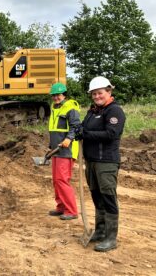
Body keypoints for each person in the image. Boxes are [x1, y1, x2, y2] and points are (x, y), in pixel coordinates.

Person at [81, 76, 126, 252]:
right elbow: (84, 128)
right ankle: (100, 232)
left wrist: (85, 134)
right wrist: (79, 131)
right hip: (91, 161)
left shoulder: (114, 111)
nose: (97, 96)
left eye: (100, 93)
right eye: (94, 94)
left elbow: (111, 134)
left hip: (106, 162)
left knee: (108, 199)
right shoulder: (92, 111)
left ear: (109, 92)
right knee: (97, 197)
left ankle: (110, 238)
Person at [47, 82, 80, 220]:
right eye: (54, 96)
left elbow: (76, 126)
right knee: (56, 180)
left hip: (67, 149)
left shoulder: (70, 107)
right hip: (57, 149)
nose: (56, 98)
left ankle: (71, 210)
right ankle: (61, 207)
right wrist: (51, 145)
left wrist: (69, 138)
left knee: (62, 179)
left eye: (58, 95)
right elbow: (54, 129)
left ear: (64, 95)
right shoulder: (55, 108)